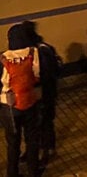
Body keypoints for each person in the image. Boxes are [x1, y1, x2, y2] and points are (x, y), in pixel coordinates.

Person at [2, 23, 42, 177]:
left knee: (13, 143)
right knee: (32, 139)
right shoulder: (33, 53)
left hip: (9, 105)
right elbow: (37, 76)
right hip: (29, 100)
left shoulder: (3, 58)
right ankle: (34, 170)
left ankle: (12, 173)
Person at [21, 21, 60, 166]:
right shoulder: (41, 48)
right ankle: (41, 149)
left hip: (44, 93)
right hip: (42, 93)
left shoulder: (41, 50)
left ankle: (47, 150)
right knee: (39, 123)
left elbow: (49, 74)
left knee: (44, 123)